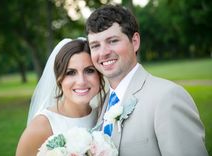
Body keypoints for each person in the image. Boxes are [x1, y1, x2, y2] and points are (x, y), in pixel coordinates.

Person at [85, 4, 208, 156]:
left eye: (113, 41)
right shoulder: (100, 104)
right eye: (95, 45)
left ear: (135, 41)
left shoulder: (168, 97)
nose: (103, 53)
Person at [16, 38, 106, 156]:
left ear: (99, 75)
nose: (81, 81)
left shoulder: (104, 114)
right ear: (59, 79)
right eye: (70, 72)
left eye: (89, 70)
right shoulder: (41, 126)